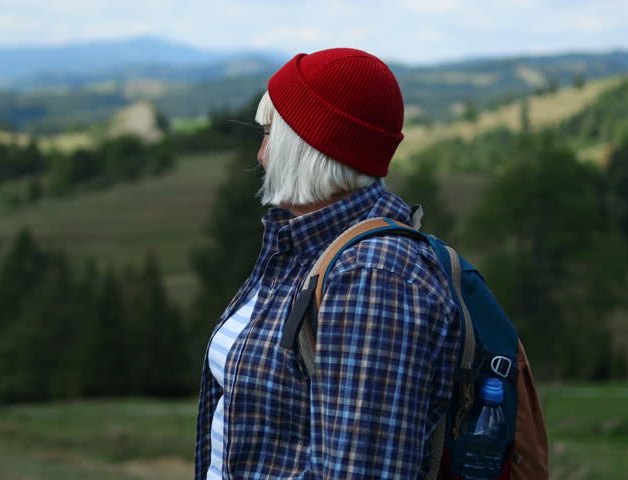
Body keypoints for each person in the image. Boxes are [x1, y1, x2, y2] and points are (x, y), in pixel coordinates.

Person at [195, 47, 463, 479]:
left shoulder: (373, 277)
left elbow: (364, 471)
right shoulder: (303, 248)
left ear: (309, 147)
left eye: (270, 134)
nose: (261, 154)